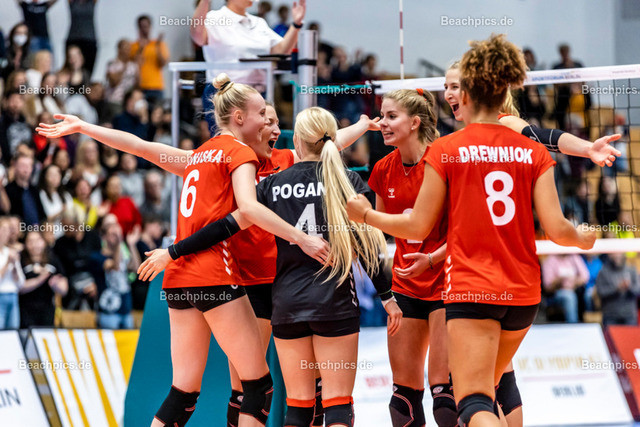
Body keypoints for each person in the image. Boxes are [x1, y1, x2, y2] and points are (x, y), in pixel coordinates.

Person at [37, 73, 330, 427]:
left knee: (183, 392)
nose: (270, 125)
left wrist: (85, 127)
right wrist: (302, 238)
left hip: (178, 279)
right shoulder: (239, 153)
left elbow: (140, 147)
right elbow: (249, 210)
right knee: (258, 387)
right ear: (239, 117)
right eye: (262, 116)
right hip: (216, 273)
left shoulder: (198, 156)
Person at [347, 34, 596, 427]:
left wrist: (365, 215)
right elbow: (558, 229)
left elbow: (417, 224)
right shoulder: (531, 151)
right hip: (523, 293)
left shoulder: (447, 150)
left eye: (454, 88)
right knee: (491, 387)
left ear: (466, 93)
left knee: (473, 401)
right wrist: (584, 237)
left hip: (471, 287)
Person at [139, 106, 402, 427]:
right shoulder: (346, 181)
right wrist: (387, 296)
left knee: (296, 406)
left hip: (286, 303)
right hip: (333, 301)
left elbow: (224, 226)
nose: (274, 129)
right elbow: (368, 246)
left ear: (297, 142)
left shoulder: (271, 185)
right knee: (335, 404)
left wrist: (173, 251)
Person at [367, 89, 453, 427]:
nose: (383, 123)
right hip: (405, 285)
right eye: (382, 116)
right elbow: (379, 232)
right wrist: (385, 292)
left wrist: (431, 259)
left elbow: (464, 231)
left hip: (447, 283)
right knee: (403, 402)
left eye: (392, 117)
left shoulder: (443, 163)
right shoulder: (382, 169)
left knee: (446, 399)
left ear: (415, 122)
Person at [191, 0, 306, 135]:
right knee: (228, 142)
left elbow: (281, 50)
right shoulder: (215, 17)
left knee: (259, 141)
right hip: (226, 94)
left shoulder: (258, 22)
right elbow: (197, 36)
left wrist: (296, 24)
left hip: (258, 93)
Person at [90, 218, 138, 329]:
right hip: (108, 311)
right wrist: (119, 244)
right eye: (113, 234)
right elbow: (115, 267)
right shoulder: (97, 257)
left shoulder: (122, 255)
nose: (117, 237)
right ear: (104, 237)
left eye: (118, 234)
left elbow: (136, 267)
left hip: (126, 310)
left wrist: (131, 245)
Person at [19, 230, 68, 327]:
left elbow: (64, 290)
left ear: (44, 242)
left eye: (38, 240)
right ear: (25, 243)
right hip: (25, 310)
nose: (34, 245)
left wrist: (56, 285)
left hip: (47, 309)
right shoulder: (21, 261)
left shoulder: (53, 260)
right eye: (30, 241)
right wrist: (40, 279)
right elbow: (18, 288)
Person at [130, 15, 169, 108]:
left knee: (157, 113)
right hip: (140, 87)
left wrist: (157, 47)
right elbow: (133, 65)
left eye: (146, 26)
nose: (144, 29)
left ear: (150, 26)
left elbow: (163, 63)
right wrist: (141, 49)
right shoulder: (134, 46)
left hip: (156, 86)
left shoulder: (159, 44)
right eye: (142, 26)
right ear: (138, 28)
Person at [541, 254, 589, 323]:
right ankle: (573, 324)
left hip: (575, 289)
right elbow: (547, 287)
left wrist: (574, 283)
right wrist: (559, 281)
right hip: (557, 293)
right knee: (569, 296)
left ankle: (586, 321)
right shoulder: (550, 260)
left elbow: (585, 277)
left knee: (588, 294)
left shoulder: (574, 257)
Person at [596, 252, 640, 326]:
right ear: (609, 255)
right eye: (614, 253)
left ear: (623, 254)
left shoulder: (632, 271)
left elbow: (638, 290)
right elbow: (600, 292)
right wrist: (616, 289)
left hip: (629, 315)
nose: (616, 256)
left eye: (619, 253)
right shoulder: (603, 272)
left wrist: (629, 287)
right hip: (610, 315)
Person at [6, 152, 46, 225]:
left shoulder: (34, 190)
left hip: (38, 229)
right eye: (23, 166)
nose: (26, 169)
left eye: (29, 166)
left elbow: (42, 215)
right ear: (15, 167)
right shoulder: (8, 190)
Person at [0, 216, 25, 329]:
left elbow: (20, 282)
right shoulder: (9, 255)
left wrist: (14, 266)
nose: (7, 233)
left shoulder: (11, 252)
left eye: (9, 230)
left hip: (13, 296)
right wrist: (7, 263)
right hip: (1, 295)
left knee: (13, 330)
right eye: (4, 229)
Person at [38, 164, 74, 239]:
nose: (55, 177)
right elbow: (45, 219)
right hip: (50, 235)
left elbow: (72, 215)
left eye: (57, 174)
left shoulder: (66, 195)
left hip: (66, 234)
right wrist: (61, 212)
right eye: (51, 175)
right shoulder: (41, 194)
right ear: (45, 177)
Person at [105, 39, 139, 118]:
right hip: (115, 101)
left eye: (129, 48)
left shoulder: (133, 65)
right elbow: (113, 82)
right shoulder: (112, 63)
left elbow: (138, 85)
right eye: (125, 48)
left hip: (128, 103)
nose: (128, 50)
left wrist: (138, 67)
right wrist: (124, 67)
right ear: (119, 49)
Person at [66, 0, 98, 76]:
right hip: (73, 39)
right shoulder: (72, 2)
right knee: (72, 69)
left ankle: (86, 83)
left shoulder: (91, 2)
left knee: (88, 70)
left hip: (89, 40)